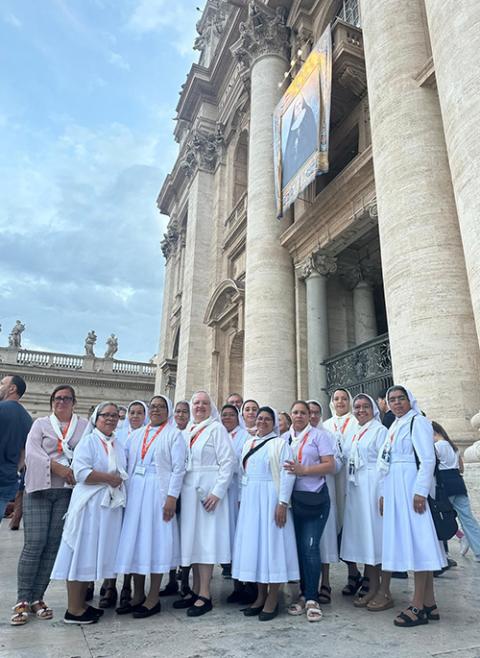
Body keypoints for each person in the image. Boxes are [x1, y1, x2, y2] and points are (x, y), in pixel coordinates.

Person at [10, 386, 87, 626]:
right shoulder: (40, 424)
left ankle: (38, 598)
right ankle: (22, 598)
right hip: (40, 490)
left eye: (66, 398)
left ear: (74, 402)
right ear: (51, 402)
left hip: (67, 493)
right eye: (57, 398)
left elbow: (89, 451)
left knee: (53, 546)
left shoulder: (84, 426)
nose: (61, 402)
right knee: (34, 544)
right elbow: (32, 453)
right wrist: (58, 468)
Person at [374, 386, 446, 626]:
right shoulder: (394, 425)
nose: (396, 403)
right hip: (396, 488)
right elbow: (386, 462)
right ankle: (430, 603)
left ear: (409, 400)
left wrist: (420, 492)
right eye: (392, 400)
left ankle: (417, 605)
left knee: (419, 545)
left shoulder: (418, 421)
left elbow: (427, 459)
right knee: (415, 543)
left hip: (411, 489)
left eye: (401, 399)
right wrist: (384, 493)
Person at [50, 402, 127, 625]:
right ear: (96, 418)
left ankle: (80, 605)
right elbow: (81, 473)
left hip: (106, 507)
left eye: (114, 416)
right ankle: (73, 609)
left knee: (89, 555)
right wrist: (110, 479)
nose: (111, 419)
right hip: (89, 506)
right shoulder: (89, 441)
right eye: (106, 415)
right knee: (79, 553)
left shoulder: (116, 443)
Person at [115, 395, 186, 619]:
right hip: (136, 491)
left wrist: (172, 497)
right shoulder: (135, 435)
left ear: (168, 411)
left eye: (161, 407)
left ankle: (153, 596)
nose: (156, 410)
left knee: (155, 542)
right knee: (137, 541)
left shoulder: (174, 435)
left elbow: (178, 469)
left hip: (159, 491)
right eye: (153, 407)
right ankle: (137, 594)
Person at [232, 406, 299, 621]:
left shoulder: (280, 444)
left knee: (272, 546)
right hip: (251, 499)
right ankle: (260, 596)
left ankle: (273, 597)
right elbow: (243, 474)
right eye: (259, 418)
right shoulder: (248, 444)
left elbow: (288, 475)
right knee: (257, 548)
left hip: (271, 497)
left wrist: (282, 503)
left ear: (274, 423)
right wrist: (242, 499)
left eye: (267, 419)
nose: (262, 422)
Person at [174, 390, 235, 617]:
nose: (200, 406)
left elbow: (228, 462)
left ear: (211, 407)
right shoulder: (187, 430)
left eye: (204, 403)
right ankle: (194, 591)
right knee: (193, 541)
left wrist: (218, 492)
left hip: (209, 492)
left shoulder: (217, 429)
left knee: (206, 541)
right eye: (196, 403)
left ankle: (205, 595)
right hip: (189, 491)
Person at [286, 401, 334, 622]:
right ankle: (303, 595)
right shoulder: (284, 438)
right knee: (298, 548)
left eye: (303, 412)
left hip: (315, 499)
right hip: (292, 501)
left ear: (309, 416)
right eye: (295, 412)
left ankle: (313, 598)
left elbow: (330, 465)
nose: (298, 416)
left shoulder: (318, 436)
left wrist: (304, 470)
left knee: (311, 547)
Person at [100, 400, 148, 609]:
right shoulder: (117, 436)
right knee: (113, 539)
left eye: (139, 413)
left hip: (138, 495)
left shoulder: (148, 435)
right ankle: (109, 584)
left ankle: (127, 585)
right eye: (132, 412)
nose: (135, 416)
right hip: (116, 494)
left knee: (132, 541)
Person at [340, 394, 387, 608]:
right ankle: (370, 584)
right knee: (365, 538)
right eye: (357, 406)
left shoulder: (380, 431)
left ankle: (379, 589)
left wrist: (383, 493)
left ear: (373, 409)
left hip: (373, 487)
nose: (360, 410)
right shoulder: (354, 431)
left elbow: (386, 463)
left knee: (375, 538)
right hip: (357, 489)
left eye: (365, 406)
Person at [321, 388, 361, 599]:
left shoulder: (356, 422)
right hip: (331, 480)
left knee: (354, 526)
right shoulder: (326, 425)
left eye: (344, 398)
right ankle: (353, 572)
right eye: (336, 399)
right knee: (337, 528)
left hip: (352, 480)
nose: (340, 402)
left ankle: (359, 575)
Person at [433, 421, 480, 562]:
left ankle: (446, 550)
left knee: (441, 518)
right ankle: (478, 550)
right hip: (458, 482)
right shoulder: (453, 446)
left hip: (445, 484)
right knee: (467, 518)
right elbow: (461, 468)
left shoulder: (436, 447)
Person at [160, 400, 191, 599]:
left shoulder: (192, 432)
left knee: (185, 535)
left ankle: (185, 582)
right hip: (168, 490)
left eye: (184, 412)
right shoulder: (166, 433)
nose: (180, 414)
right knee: (171, 535)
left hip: (186, 491)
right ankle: (171, 579)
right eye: (178, 411)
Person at [220, 403, 251, 601]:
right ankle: (235, 583)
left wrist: (241, 495)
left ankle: (245, 585)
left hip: (238, 492)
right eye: (224, 415)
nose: (227, 418)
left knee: (240, 539)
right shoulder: (219, 434)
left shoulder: (245, 437)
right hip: (223, 493)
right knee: (229, 539)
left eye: (231, 415)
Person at [0, 375, 32, 523]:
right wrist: (12, 469)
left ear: (12, 388)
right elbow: (25, 454)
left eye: (2, 384)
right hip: (7, 478)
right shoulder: (27, 418)